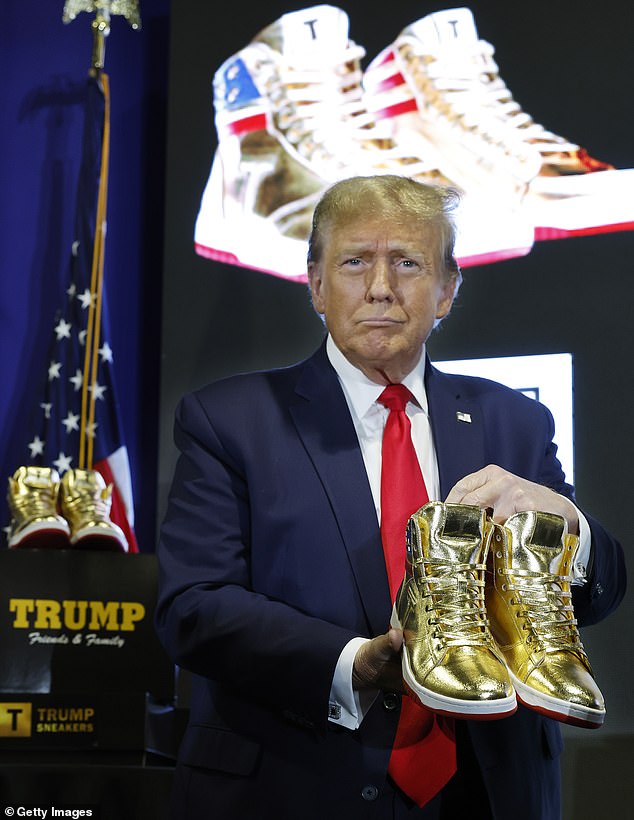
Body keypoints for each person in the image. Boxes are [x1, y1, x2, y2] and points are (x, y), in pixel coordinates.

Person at [155, 175, 625, 819]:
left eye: (408, 262)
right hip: (291, 787)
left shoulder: (515, 422)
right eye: (355, 262)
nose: (381, 286)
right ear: (316, 285)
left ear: (448, 291)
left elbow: (597, 591)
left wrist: (567, 523)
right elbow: (194, 608)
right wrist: (356, 663)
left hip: (488, 793)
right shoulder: (228, 421)